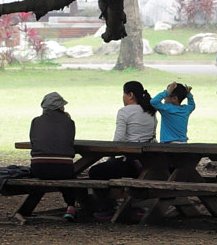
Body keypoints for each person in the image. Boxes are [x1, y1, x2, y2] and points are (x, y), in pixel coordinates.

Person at [74, 82, 156, 222]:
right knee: (110, 167)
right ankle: (130, 205)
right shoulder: (150, 112)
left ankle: (107, 208)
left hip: (131, 163)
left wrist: (110, 155)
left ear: (130, 95)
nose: (123, 97)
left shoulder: (125, 111)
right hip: (150, 163)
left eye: (124, 93)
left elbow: (117, 142)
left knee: (96, 171)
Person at [28, 92, 76, 180]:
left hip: (38, 167)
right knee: (73, 188)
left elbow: (33, 142)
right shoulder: (69, 122)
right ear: (61, 107)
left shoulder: (36, 121)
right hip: (64, 168)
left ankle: (36, 194)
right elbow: (69, 141)